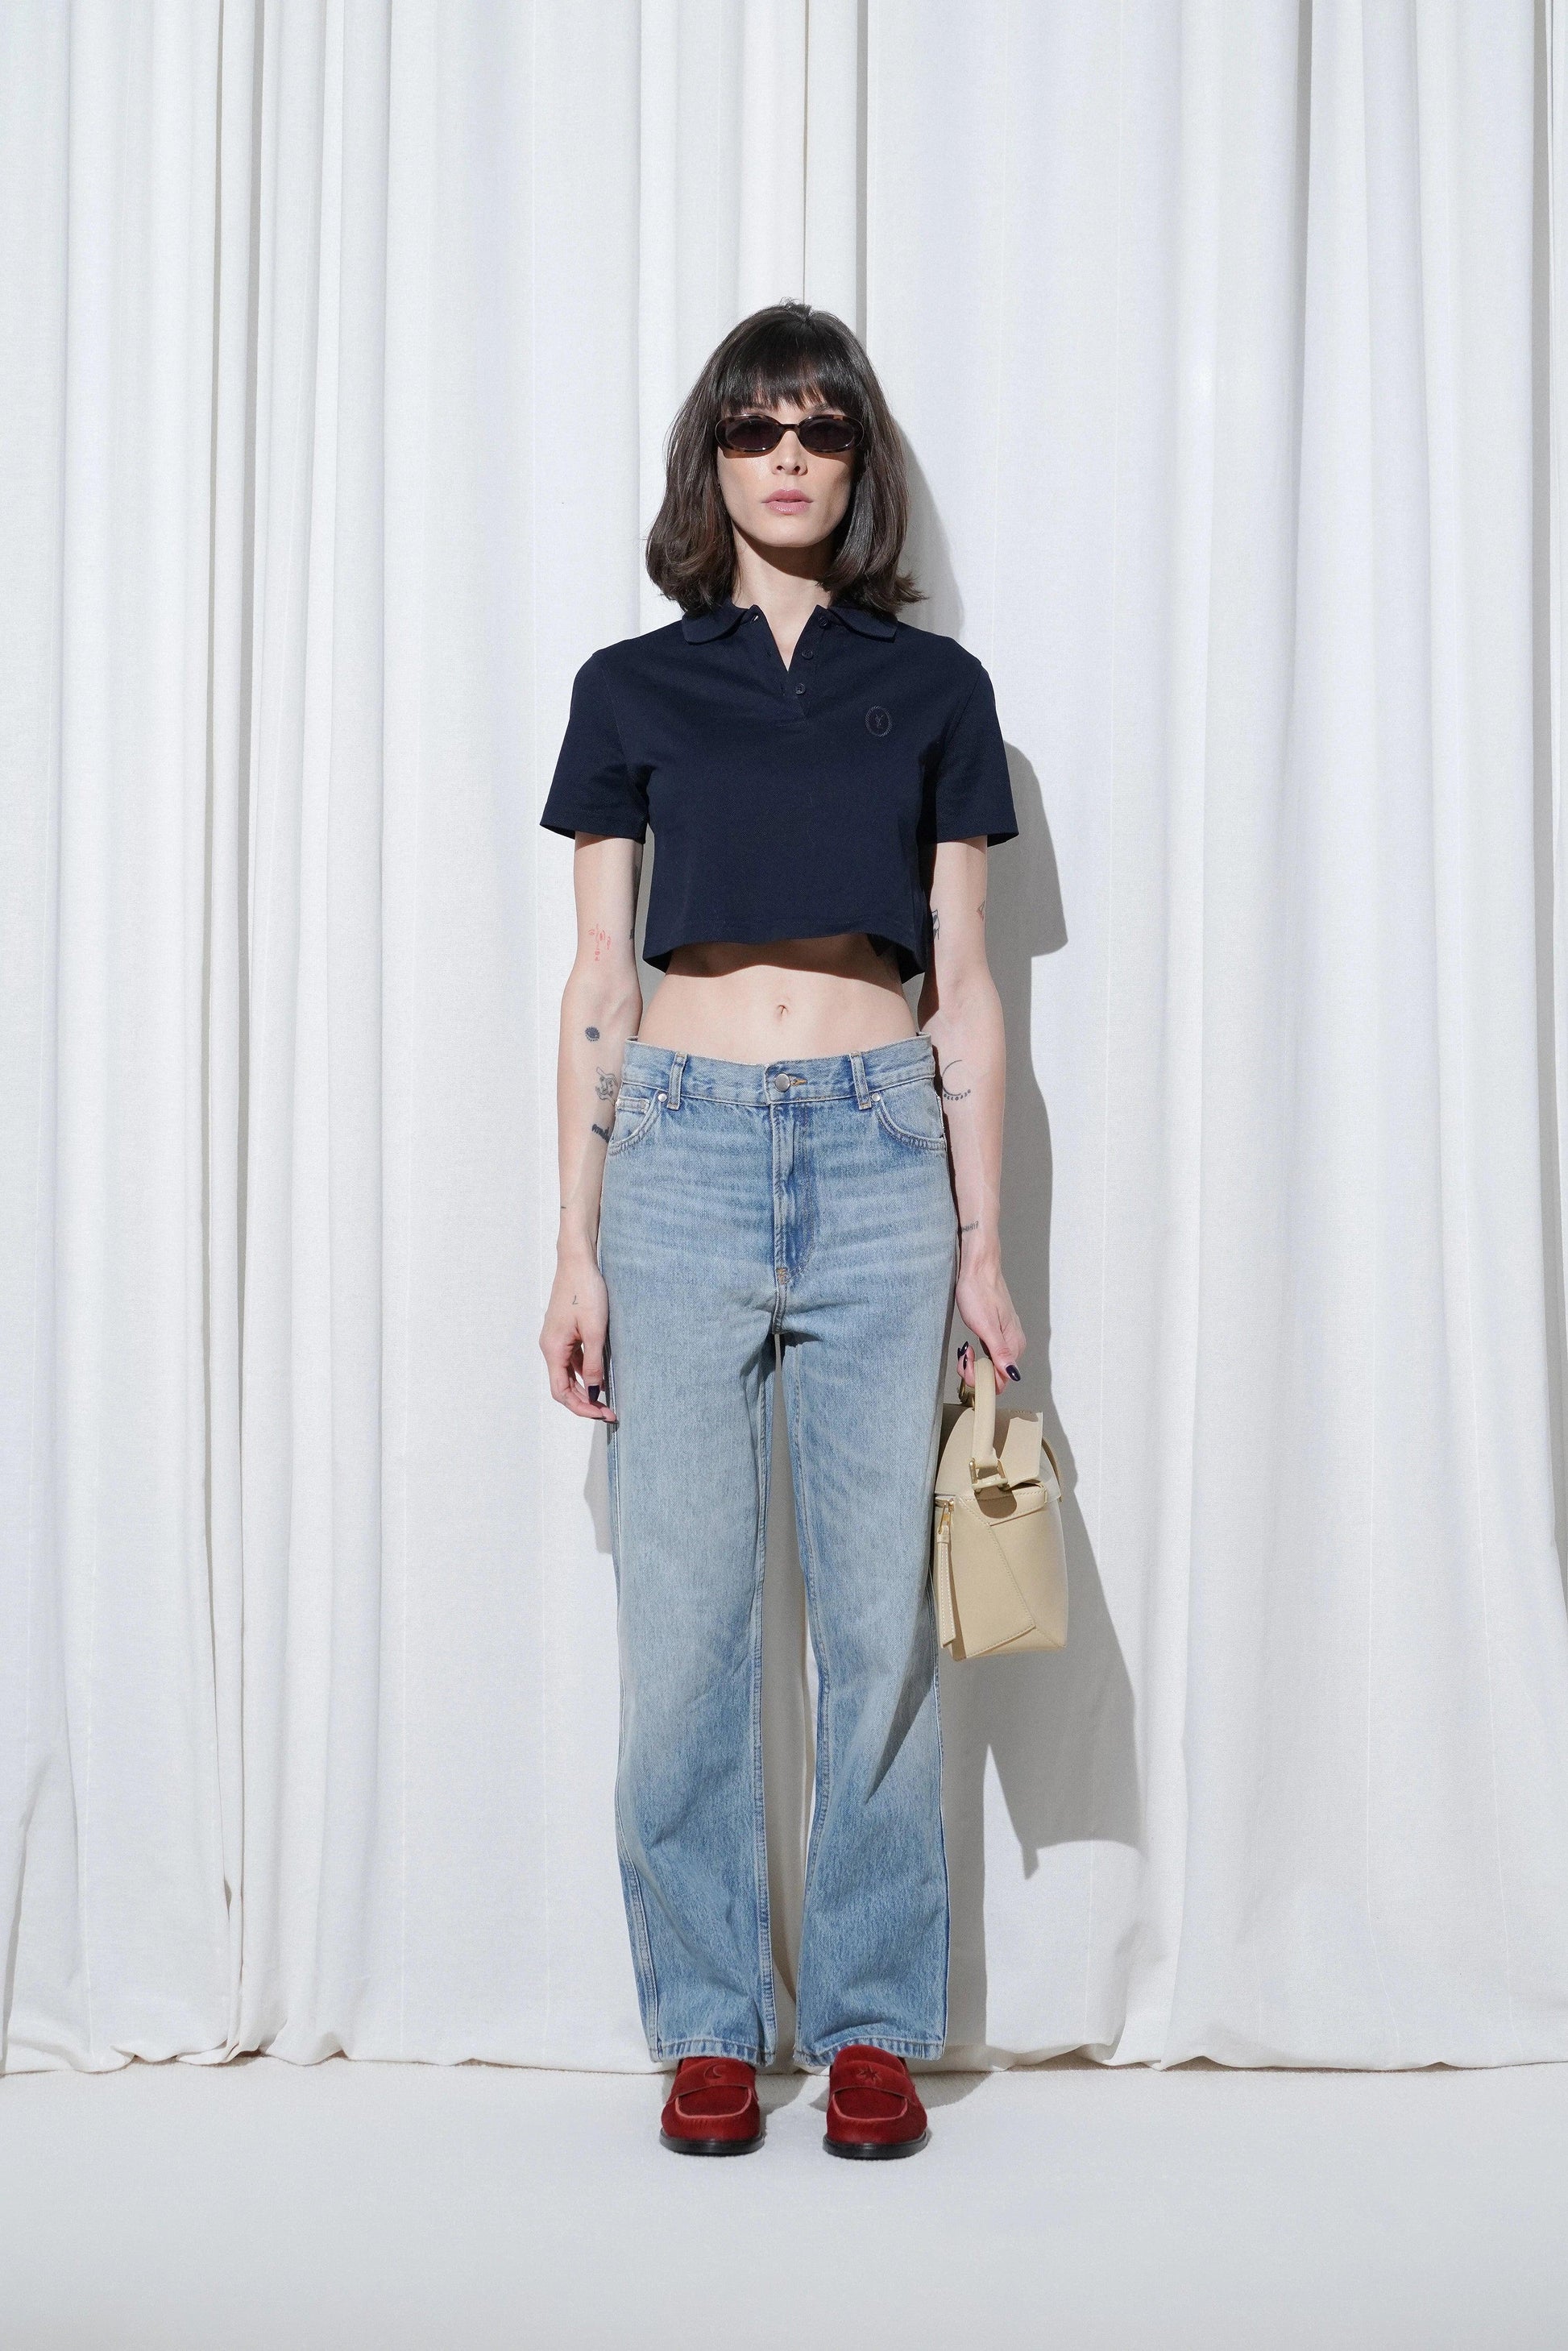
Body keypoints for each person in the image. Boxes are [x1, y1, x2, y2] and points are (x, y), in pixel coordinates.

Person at [537, 300, 1023, 2158]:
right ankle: (711, 2021)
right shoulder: (632, 686)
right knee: (682, 1623)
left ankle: (882, 2018)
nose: (790, 460)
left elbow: (965, 982)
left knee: (878, 1623)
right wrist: (575, 1240)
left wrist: (984, 1242)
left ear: (857, 461)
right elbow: (595, 967)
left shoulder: (937, 692)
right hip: (673, 1149)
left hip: (883, 1149)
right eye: (756, 433)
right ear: (712, 464)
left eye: (820, 430)